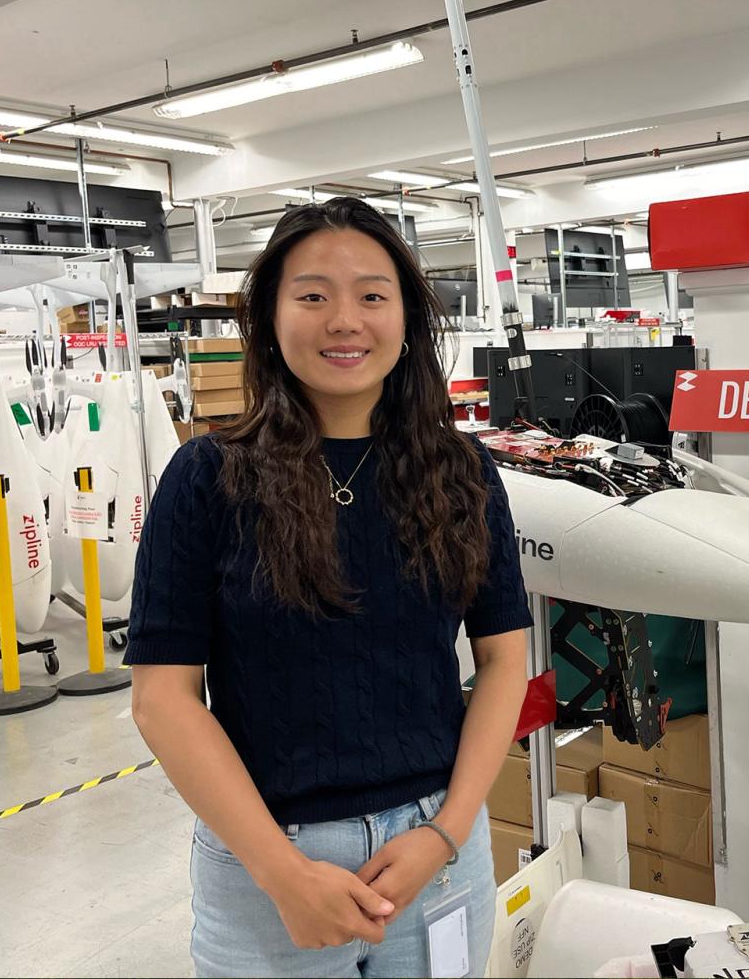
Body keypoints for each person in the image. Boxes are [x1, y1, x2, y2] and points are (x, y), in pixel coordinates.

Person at [127, 196, 530, 978]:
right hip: (267, 866)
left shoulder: (462, 473)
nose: (344, 319)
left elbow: (504, 663)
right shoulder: (207, 480)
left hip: (435, 852)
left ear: (406, 318)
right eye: (313, 295)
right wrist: (283, 873)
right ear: (271, 319)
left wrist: (446, 832)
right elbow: (163, 698)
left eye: (372, 295)